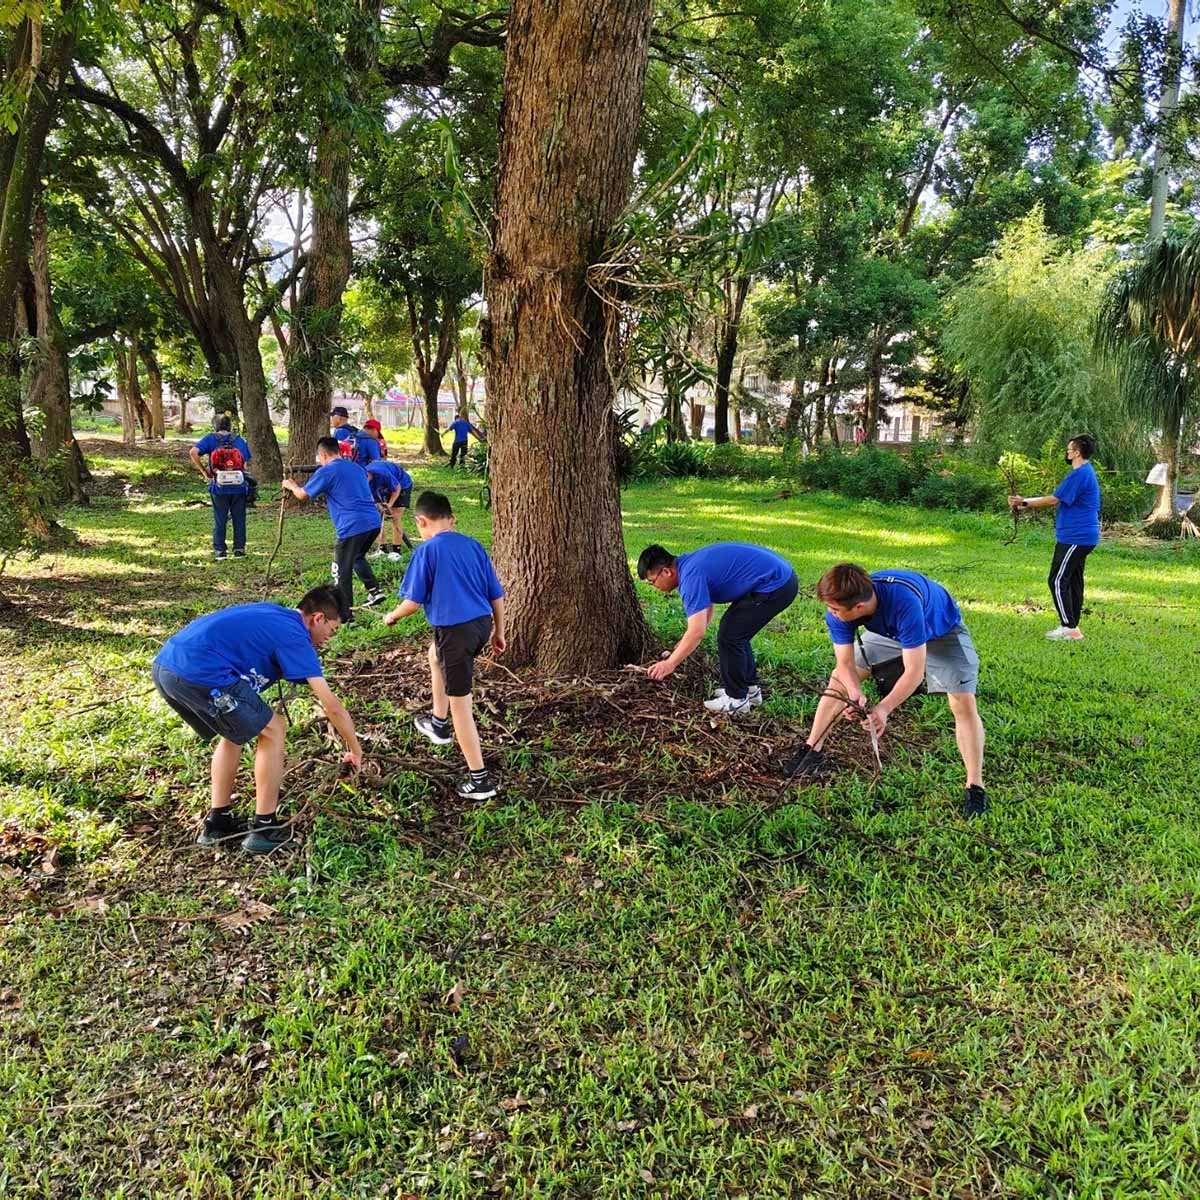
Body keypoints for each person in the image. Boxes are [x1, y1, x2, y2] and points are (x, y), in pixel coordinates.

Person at [152, 585, 362, 852]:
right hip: (198, 671)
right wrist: (355, 750)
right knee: (274, 728)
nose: (328, 639)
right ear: (317, 618)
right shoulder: (294, 635)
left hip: (167, 666)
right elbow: (332, 707)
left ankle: (218, 823)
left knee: (235, 732)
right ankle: (264, 828)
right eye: (331, 630)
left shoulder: (277, 615)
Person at [785, 562, 987, 817]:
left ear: (858, 607)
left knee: (962, 701)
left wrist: (884, 708)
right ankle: (811, 749)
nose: (830, 613)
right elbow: (845, 663)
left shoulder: (904, 604)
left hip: (940, 629)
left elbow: (914, 670)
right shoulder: (842, 606)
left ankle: (975, 786)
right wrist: (854, 693)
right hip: (890, 632)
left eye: (835, 609)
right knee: (839, 680)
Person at [382, 491, 506, 800]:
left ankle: (480, 780)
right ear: (451, 519)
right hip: (481, 624)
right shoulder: (473, 545)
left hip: (456, 632)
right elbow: (496, 594)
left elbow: (412, 602)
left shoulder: (427, 551)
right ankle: (438, 723)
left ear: (421, 521)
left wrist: (392, 616)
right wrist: (499, 631)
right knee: (433, 655)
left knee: (461, 705)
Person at [637, 541, 799, 716]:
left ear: (667, 572)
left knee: (730, 635)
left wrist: (670, 664)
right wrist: (687, 639)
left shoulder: (691, 577)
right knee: (735, 632)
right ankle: (750, 691)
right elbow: (705, 607)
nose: (654, 587)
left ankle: (736, 700)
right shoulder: (690, 565)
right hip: (779, 577)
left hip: (776, 584)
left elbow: (697, 632)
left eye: (652, 581)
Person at [1008, 434, 1101, 641]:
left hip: (1075, 537)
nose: (1067, 453)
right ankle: (1073, 627)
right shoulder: (1085, 472)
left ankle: (1068, 627)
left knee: (1057, 580)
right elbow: (1058, 499)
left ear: (1077, 452)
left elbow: (1054, 500)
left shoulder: (1079, 475)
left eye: (1069, 450)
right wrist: (1024, 502)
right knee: (1073, 581)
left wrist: (1024, 503)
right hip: (1083, 536)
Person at [281, 438, 387, 619]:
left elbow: (303, 495)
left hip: (352, 525)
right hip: (373, 521)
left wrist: (291, 485)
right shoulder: (356, 467)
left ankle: (346, 616)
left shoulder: (327, 471)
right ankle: (375, 590)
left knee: (340, 570)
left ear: (322, 454)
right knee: (356, 557)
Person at [190, 416, 251, 561]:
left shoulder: (210, 439)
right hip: (239, 486)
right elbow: (245, 464)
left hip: (219, 486)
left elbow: (193, 452)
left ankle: (220, 551)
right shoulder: (239, 440)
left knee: (220, 518)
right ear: (230, 426)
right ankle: (239, 549)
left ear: (215, 426)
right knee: (239, 518)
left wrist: (205, 471)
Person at [365, 458, 415, 558]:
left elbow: (397, 488)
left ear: (368, 474)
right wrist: (379, 505)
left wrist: (390, 504)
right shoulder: (365, 481)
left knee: (395, 516)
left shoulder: (382, 474)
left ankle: (396, 551)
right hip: (384, 488)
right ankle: (382, 549)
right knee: (378, 517)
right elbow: (373, 497)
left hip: (402, 484)